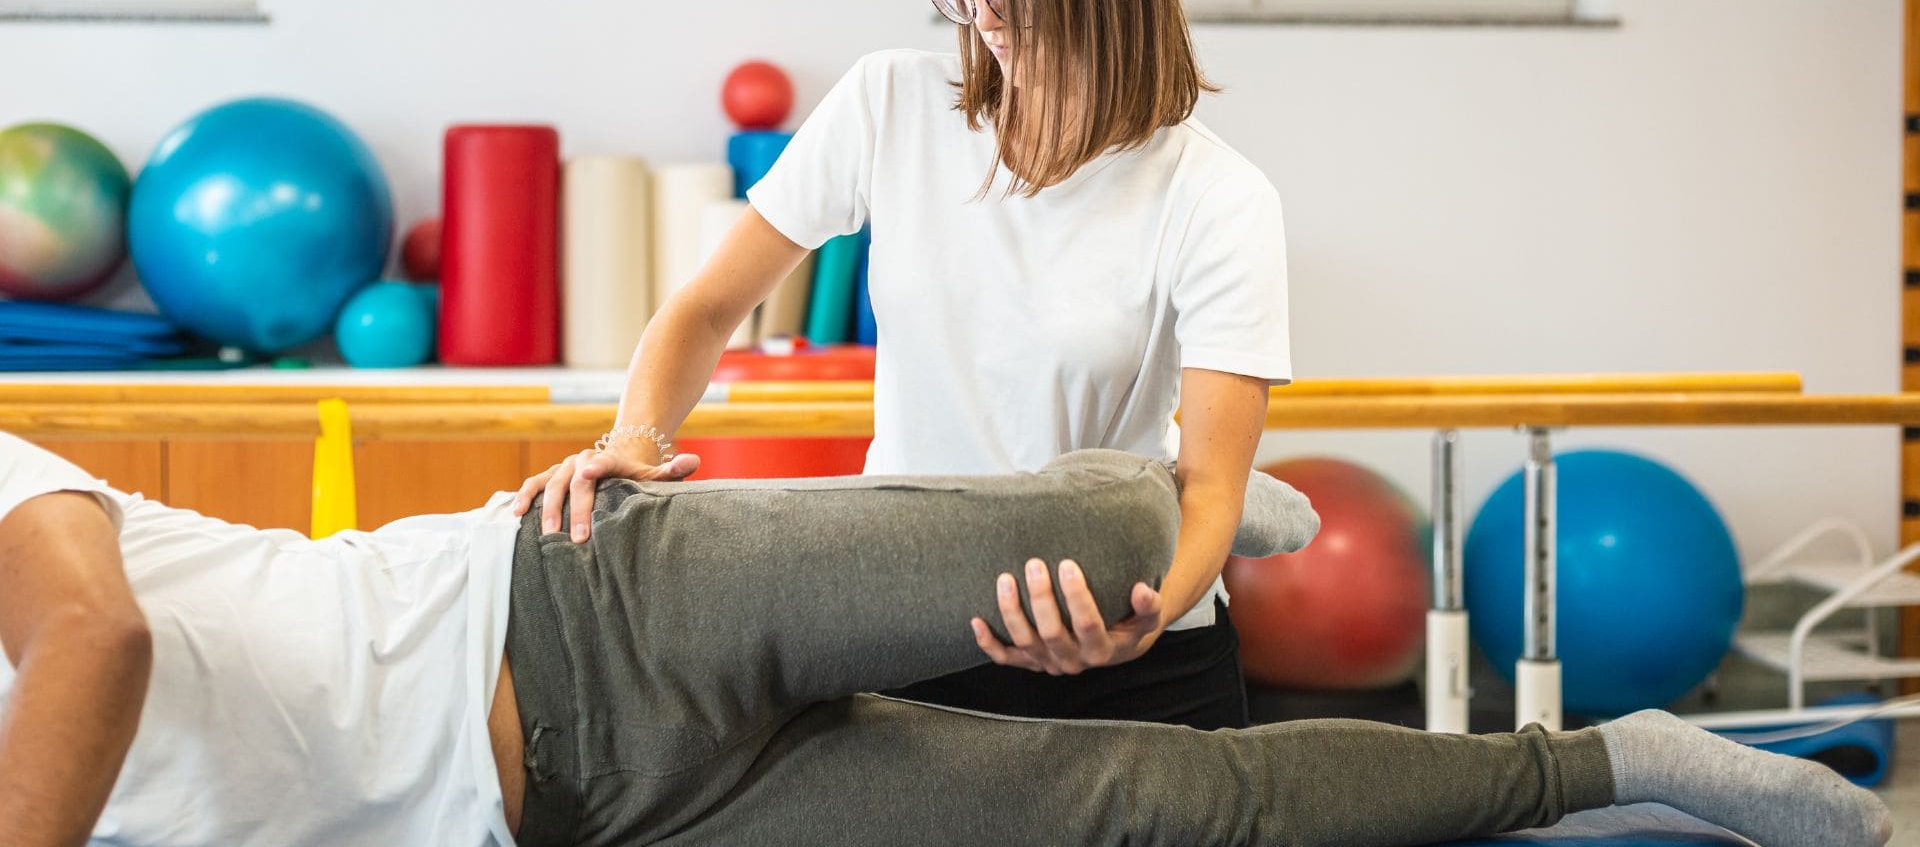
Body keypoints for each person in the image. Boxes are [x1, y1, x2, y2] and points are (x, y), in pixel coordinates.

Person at [0, 433, 1891, 846]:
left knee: (1104, 548)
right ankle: (1617, 759)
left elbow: (94, 644)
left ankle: (1155, 481)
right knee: (1168, 815)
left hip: (582, 598)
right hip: (601, 825)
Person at [515, 0, 1286, 730]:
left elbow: (1212, 485)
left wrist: (1146, 616)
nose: (987, 18)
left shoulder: (1218, 197)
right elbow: (708, 309)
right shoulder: (889, 106)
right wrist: (631, 442)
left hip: (1133, 652)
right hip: (910, 629)